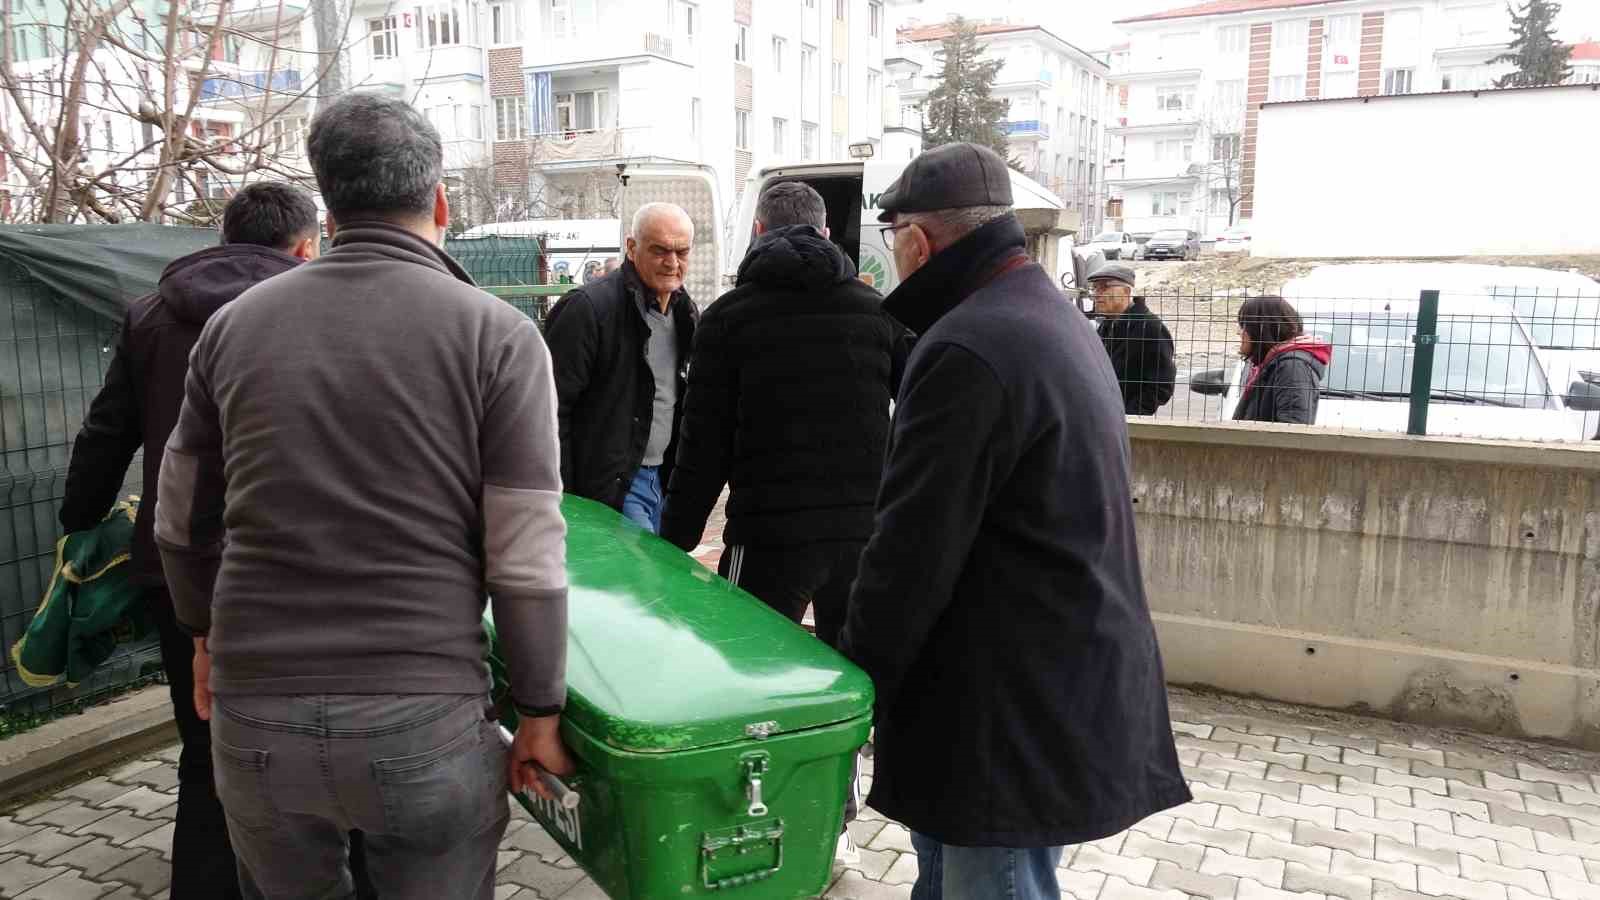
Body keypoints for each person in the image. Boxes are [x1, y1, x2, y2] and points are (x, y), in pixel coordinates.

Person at [154, 92, 573, 900]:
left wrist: (203, 635)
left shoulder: (231, 329)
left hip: (256, 711)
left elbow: (179, 517)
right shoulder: (498, 336)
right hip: (424, 715)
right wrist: (540, 710)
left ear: (330, 204)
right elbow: (524, 549)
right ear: (441, 201)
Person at [838, 143, 1192, 900]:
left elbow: (910, 548)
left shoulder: (970, 346)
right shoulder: (1045, 317)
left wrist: (855, 676)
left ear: (917, 240)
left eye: (892, 234)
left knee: (990, 881)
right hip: (1044, 676)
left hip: (1003, 705)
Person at [58, 182, 320, 900]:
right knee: (301, 741)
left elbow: (108, 429)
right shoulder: (316, 311)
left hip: (181, 567)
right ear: (304, 244)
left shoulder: (151, 314)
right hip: (292, 567)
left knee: (205, 751)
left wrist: (78, 520)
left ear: (224, 238)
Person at [657, 181, 903, 861]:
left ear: (759, 229)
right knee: (849, 685)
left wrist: (672, 547)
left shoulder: (731, 317)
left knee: (750, 685)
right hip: (862, 536)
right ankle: (837, 827)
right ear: (827, 234)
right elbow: (918, 422)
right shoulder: (877, 311)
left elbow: (701, 447)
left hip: (766, 539)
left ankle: (756, 826)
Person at [544, 203, 698, 533]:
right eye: (660, 251)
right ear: (631, 248)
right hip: (611, 489)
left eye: (681, 252)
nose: (672, 263)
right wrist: (571, 502)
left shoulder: (685, 311)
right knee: (646, 581)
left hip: (662, 480)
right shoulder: (589, 309)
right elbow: (550, 411)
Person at [1088, 263, 1177, 416]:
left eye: (1104, 287)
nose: (1096, 294)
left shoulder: (1150, 328)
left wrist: (1131, 414)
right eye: (1094, 288)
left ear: (1126, 291)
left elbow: (1161, 385)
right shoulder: (1106, 326)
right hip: (1103, 416)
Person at [1232, 294, 1331, 425]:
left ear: (1261, 328)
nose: (1239, 332)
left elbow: (1293, 428)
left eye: (1244, 325)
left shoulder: (1292, 366)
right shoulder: (1269, 363)